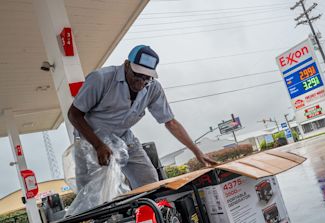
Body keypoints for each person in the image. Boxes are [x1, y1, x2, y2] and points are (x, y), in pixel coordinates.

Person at [68, 45, 217, 190]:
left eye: (147, 77)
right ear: (127, 65)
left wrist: (197, 152)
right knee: (92, 194)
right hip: (90, 141)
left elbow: (170, 122)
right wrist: (98, 145)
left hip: (124, 139)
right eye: (138, 75)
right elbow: (74, 114)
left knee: (150, 182)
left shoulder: (153, 88)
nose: (141, 82)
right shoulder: (101, 79)